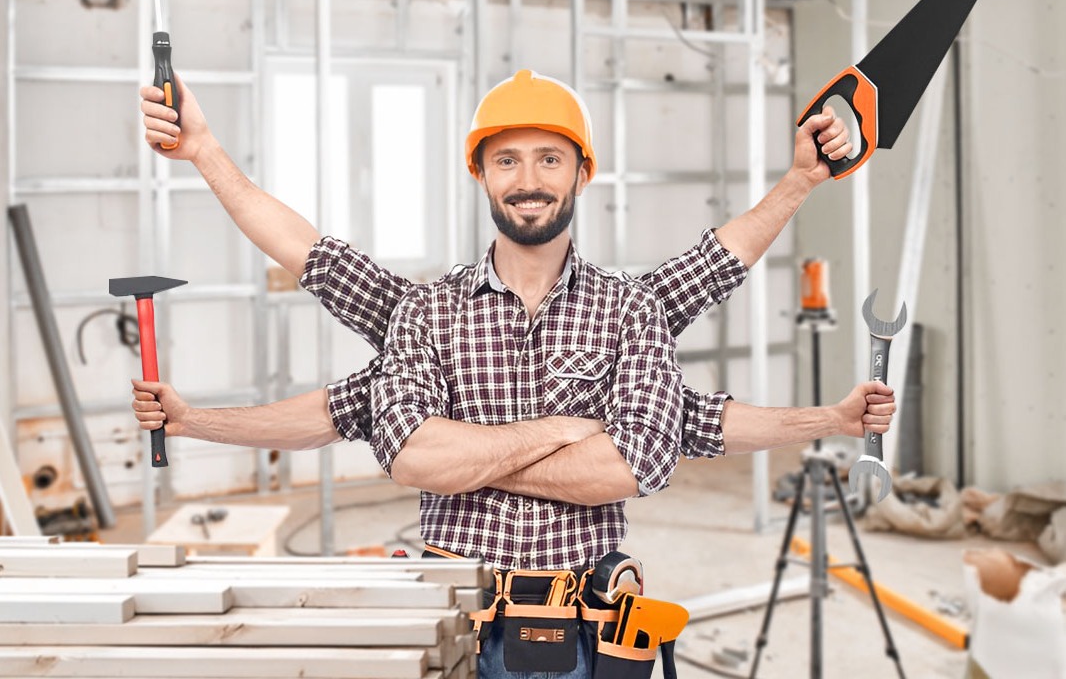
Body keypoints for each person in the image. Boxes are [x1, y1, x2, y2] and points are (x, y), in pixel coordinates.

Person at [132, 73, 894, 466]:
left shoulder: (632, 310)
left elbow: (697, 404)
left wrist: (830, 421)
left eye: (548, 158)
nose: (528, 178)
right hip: (459, 608)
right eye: (507, 159)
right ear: (482, 176)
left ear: (582, 173)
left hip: (592, 623)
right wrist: (203, 149)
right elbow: (300, 248)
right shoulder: (421, 312)